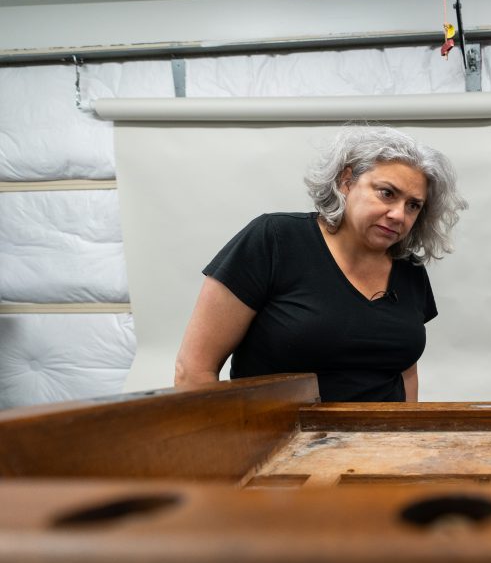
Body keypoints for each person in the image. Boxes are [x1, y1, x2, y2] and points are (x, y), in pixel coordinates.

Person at [175, 127, 466, 402]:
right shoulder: (275, 240)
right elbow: (194, 371)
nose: (398, 214)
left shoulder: (409, 269)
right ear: (346, 181)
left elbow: (406, 372)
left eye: (413, 205)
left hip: (382, 449)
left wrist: (408, 438)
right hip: (280, 447)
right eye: (387, 193)